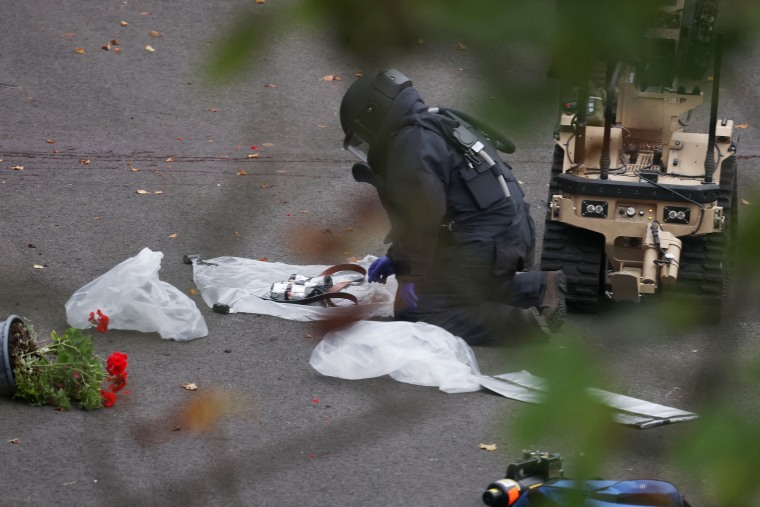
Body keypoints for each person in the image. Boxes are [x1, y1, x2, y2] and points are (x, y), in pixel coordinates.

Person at [339, 69, 566, 345]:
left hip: (486, 246)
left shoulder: (409, 143)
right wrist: (397, 258)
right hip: (510, 238)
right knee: (459, 291)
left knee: (419, 312)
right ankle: (539, 286)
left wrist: (410, 275)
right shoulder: (436, 120)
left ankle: (518, 325)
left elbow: (422, 219)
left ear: (373, 115)